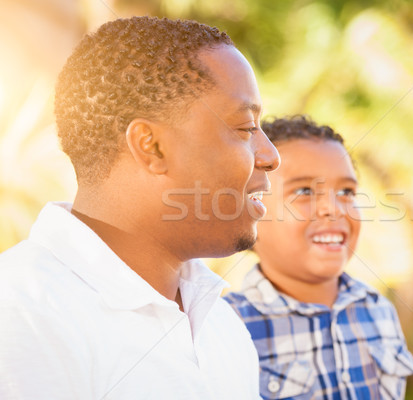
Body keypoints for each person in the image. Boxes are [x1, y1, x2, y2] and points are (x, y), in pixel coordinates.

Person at [0, 16, 279, 399]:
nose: (270, 155)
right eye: (246, 129)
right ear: (151, 146)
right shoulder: (21, 315)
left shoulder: (222, 328)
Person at [224, 115, 413, 400]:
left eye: (346, 192)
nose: (333, 208)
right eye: (304, 191)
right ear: (252, 210)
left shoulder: (379, 310)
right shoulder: (229, 327)